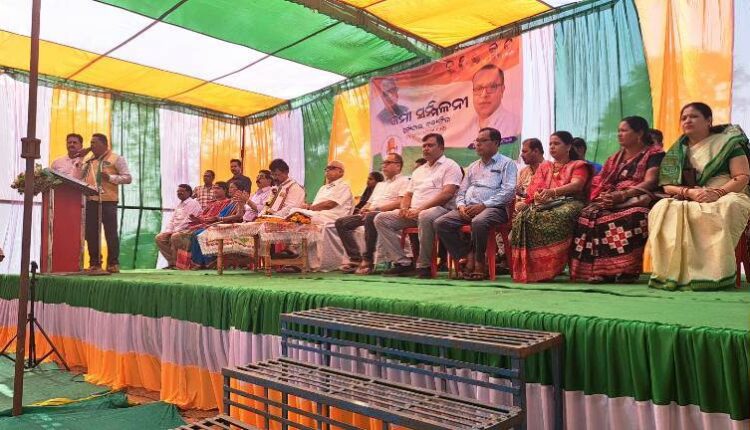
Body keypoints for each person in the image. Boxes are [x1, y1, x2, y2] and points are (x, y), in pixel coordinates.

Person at [648, 102, 750, 291]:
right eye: (684, 118)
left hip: (727, 192)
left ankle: (714, 275)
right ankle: (674, 275)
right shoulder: (677, 150)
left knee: (729, 205)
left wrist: (717, 193)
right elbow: (667, 185)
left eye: (693, 116)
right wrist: (690, 192)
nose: (687, 120)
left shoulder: (728, 143)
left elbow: (742, 176)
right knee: (663, 208)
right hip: (691, 195)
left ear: (708, 121)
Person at [570, 116, 665, 283]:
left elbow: (651, 181)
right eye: (618, 131)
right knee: (587, 215)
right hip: (613, 199)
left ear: (639, 133)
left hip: (639, 198)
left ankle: (627, 270)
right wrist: (603, 196)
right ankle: (602, 271)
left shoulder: (655, 154)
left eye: (624, 130)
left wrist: (623, 195)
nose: (619, 134)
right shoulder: (614, 159)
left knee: (634, 215)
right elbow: (600, 182)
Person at [374, 133, 462, 278]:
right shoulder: (419, 171)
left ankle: (424, 265)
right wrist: (404, 208)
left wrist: (420, 209)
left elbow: (447, 194)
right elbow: (408, 194)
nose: (426, 148)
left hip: (441, 211)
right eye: (424, 146)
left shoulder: (450, 166)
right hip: (414, 212)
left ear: (441, 147)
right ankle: (403, 263)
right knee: (381, 219)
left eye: (430, 145)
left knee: (425, 215)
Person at [435, 128, 516, 280]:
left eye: (483, 141)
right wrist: (461, 206)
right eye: (477, 141)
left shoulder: (507, 163)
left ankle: (480, 263)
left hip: (495, 209)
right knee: (441, 223)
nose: (478, 144)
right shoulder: (473, 166)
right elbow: (461, 191)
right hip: (469, 208)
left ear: (496, 143)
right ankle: (467, 255)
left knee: (479, 221)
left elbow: (509, 192)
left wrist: (484, 205)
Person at [511, 131, 592, 283]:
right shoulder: (545, 167)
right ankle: (534, 270)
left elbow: (576, 185)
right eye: (550, 144)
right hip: (546, 204)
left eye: (556, 143)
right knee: (524, 217)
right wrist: (537, 197)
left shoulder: (578, 165)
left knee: (553, 217)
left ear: (568, 146)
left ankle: (551, 268)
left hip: (572, 202)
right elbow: (534, 190)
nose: (552, 147)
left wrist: (552, 192)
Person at [335, 153, 409, 274]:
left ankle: (368, 259)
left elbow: (400, 202)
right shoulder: (380, 185)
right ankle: (355, 258)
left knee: (370, 217)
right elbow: (369, 203)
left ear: (398, 166)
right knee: (341, 222)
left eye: (388, 163)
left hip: (386, 214)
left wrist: (376, 209)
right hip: (371, 212)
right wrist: (364, 209)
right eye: (383, 163)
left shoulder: (404, 181)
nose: (384, 166)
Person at [81, 133, 132, 274]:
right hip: (91, 200)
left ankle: (113, 264)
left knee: (110, 233)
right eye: (91, 142)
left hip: (108, 201)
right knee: (91, 234)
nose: (91, 145)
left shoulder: (117, 158)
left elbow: (128, 178)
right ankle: (95, 263)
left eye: (94, 143)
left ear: (104, 144)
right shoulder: (89, 160)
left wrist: (110, 177)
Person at [190, 181, 245, 267]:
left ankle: (208, 262)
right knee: (196, 233)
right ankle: (200, 263)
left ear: (239, 190)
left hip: (228, 227)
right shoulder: (231, 201)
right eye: (229, 187)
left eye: (232, 187)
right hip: (220, 224)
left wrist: (220, 218)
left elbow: (239, 215)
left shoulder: (239, 201)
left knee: (199, 233)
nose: (229, 189)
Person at [155, 184, 202, 269]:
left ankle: (180, 264)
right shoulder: (180, 205)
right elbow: (172, 220)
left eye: (182, 191)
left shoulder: (193, 203)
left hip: (190, 230)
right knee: (159, 238)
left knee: (175, 236)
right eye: (178, 191)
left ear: (189, 192)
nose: (179, 193)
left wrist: (174, 231)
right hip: (177, 230)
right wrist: (168, 231)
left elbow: (187, 221)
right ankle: (173, 263)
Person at [470, 64, 520, 143]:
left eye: (492, 87)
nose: (484, 95)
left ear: (502, 90)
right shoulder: (465, 129)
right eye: (478, 88)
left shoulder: (516, 125)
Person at [296, 160, 353, 225]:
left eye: (332, 168)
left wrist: (309, 208)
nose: (327, 170)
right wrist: (308, 206)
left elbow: (329, 204)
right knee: (294, 210)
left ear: (340, 172)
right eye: (327, 168)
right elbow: (316, 204)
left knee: (296, 213)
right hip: (318, 214)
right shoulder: (323, 188)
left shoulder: (343, 186)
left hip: (331, 218)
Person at [516, 138, 544, 206]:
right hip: (519, 208)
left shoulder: (551, 169)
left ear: (536, 151)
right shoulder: (523, 171)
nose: (521, 155)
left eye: (525, 152)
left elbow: (547, 196)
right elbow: (517, 194)